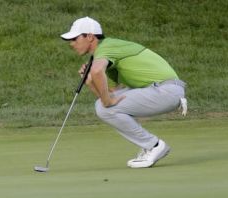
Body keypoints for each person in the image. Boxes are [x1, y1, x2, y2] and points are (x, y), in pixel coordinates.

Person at [61, 17, 187, 168]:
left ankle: (154, 146)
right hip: (159, 91)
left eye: (75, 38)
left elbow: (98, 75)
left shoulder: (107, 46)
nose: (72, 43)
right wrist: (90, 82)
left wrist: (105, 98)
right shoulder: (105, 55)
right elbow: (110, 95)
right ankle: (150, 145)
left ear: (89, 37)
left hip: (166, 90)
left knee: (104, 106)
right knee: (104, 106)